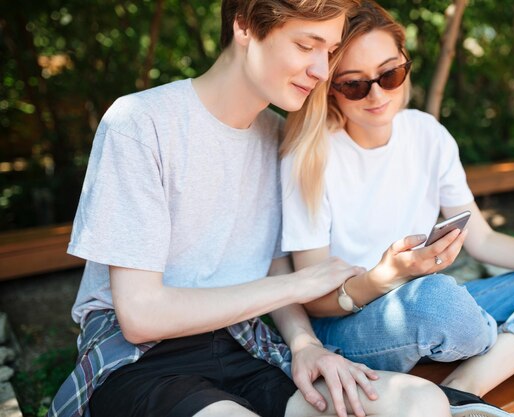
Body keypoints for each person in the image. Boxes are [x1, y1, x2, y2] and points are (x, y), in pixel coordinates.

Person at [46, 1, 454, 417]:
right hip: (143, 359)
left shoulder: (280, 138)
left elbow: (274, 264)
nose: (321, 70)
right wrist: (301, 284)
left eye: (328, 52)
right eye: (305, 45)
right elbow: (141, 315)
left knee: (419, 402)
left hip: (245, 344)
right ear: (244, 26)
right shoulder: (140, 122)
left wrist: (306, 345)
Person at [280, 1, 514, 416]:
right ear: (330, 87)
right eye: (354, 84)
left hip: (436, 307)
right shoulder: (310, 158)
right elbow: (315, 300)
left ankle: (463, 390)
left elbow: (483, 239)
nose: (377, 94)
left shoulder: (427, 134)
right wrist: (386, 277)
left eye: (390, 75)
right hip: (351, 325)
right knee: (437, 300)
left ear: (406, 64)